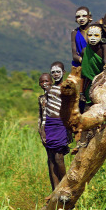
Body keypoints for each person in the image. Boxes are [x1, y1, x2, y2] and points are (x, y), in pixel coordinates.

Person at [42, 62, 70, 193]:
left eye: (58, 71)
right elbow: (44, 109)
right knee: (51, 158)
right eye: (53, 72)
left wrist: (70, 128)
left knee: (59, 157)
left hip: (60, 123)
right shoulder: (49, 89)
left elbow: (70, 107)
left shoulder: (67, 87)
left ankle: (66, 186)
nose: (55, 74)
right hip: (49, 124)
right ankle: (55, 189)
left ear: (63, 72)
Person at [37, 73, 52, 145]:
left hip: (56, 128)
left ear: (51, 82)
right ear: (39, 84)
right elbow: (41, 116)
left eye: (46, 81)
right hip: (45, 129)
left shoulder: (57, 96)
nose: (44, 83)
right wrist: (40, 130)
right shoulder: (41, 98)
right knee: (50, 154)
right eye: (41, 82)